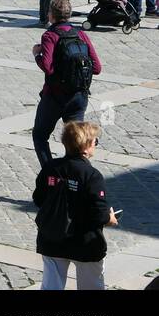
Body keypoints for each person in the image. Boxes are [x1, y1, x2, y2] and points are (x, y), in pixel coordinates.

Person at [33, 121, 117, 290]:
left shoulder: (50, 167)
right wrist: (110, 218)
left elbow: (38, 198)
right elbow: (99, 214)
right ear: (86, 146)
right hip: (85, 243)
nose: (96, 145)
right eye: (95, 141)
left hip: (52, 238)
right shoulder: (92, 176)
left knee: (51, 286)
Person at [31, 0, 101, 168]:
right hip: (78, 96)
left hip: (55, 97)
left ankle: (50, 174)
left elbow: (48, 67)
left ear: (51, 15)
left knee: (40, 135)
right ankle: (76, 175)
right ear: (69, 15)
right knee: (76, 141)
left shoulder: (50, 36)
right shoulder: (81, 34)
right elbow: (97, 68)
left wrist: (37, 55)